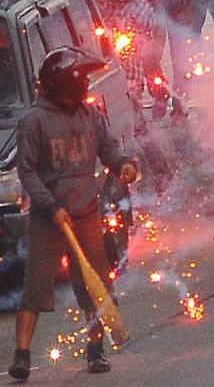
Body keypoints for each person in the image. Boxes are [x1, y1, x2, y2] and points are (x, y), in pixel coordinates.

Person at [9, 48, 137, 380]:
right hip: (47, 218)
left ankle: (95, 350)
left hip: (86, 213)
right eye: (78, 80)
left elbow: (108, 147)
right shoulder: (35, 121)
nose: (84, 85)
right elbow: (28, 171)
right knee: (35, 288)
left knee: (94, 286)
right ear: (60, 84)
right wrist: (51, 207)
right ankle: (22, 355)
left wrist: (123, 164)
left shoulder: (89, 115)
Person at [97, 0, 168, 131]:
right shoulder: (101, 2)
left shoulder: (143, 11)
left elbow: (150, 59)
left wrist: (158, 92)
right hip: (101, 74)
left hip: (130, 79)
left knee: (133, 126)